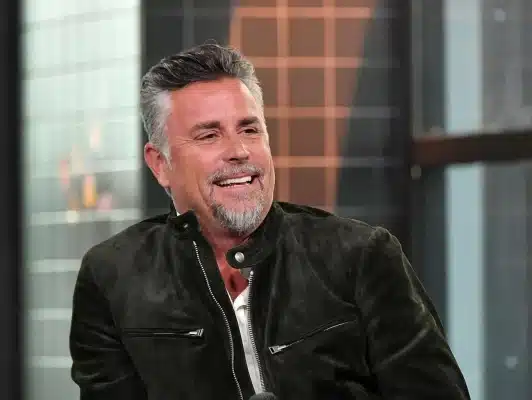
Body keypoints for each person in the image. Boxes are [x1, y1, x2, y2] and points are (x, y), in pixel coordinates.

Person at [69, 43, 470, 400]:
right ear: (160, 164)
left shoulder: (362, 257)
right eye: (209, 136)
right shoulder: (113, 276)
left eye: (249, 129)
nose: (239, 151)